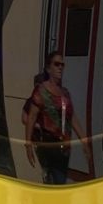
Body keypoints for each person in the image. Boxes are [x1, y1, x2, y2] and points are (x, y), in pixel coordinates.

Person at [24, 51, 93, 184]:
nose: (60, 67)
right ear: (48, 68)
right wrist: (28, 146)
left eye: (62, 65)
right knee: (53, 183)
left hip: (64, 148)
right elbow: (31, 118)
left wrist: (84, 140)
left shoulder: (64, 93)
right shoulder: (41, 91)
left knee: (60, 182)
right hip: (48, 146)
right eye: (56, 64)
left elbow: (71, 117)